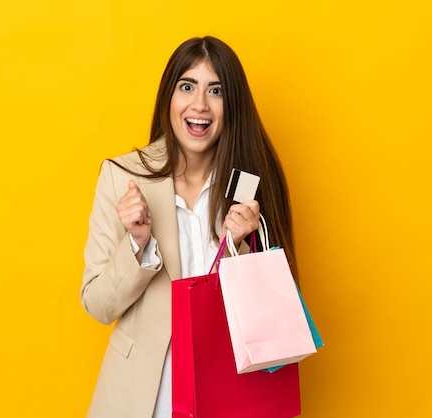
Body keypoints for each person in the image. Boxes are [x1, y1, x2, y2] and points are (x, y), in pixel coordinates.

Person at [81, 35, 296, 418]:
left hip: (233, 393)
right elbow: (98, 305)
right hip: (146, 399)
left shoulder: (250, 183)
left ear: (232, 105)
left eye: (216, 90)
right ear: (169, 97)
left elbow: (277, 306)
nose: (200, 105)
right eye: (187, 86)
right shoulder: (123, 177)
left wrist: (241, 248)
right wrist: (138, 243)